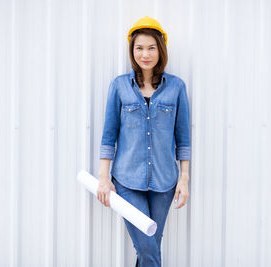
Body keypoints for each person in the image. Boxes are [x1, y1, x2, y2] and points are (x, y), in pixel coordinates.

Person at [97, 16, 191, 267]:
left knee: (148, 249)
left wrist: (184, 178)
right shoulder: (119, 87)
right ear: (132, 50)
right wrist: (104, 178)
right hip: (127, 180)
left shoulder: (177, 88)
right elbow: (109, 135)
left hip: (164, 182)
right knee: (149, 248)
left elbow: (183, 138)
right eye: (139, 48)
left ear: (160, 50)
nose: (145, 54)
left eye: (151, 47)